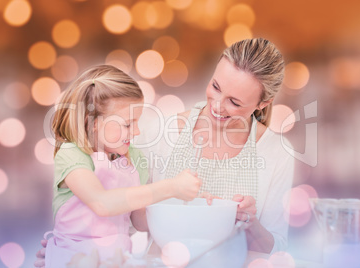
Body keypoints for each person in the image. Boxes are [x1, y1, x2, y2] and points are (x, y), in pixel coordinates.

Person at [136, 37, 294, 254]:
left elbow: (278, 248)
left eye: (235, 102)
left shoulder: (277, 152)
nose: (217, 105)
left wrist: (250, 224)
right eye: (215, 87)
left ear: (262, 103)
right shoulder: (161, 132)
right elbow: (129, 221)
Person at [38, 65, 202, 268]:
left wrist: (193, 207)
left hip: (115, 259)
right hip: (70, 258)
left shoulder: (133, 158)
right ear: (93, 122)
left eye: (137, 122)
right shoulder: (72, 154)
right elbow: (102, 203)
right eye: (127, 124)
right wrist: (171, 187)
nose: (136, 131)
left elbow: (141, 222)